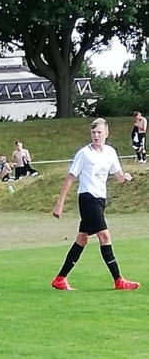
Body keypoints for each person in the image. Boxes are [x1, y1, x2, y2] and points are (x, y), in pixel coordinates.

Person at [51, 118, 139, 292]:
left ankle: (60, 279)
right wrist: (59, 203)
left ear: (106, 133)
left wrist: (125, 178)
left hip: (100, 199)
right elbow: (70, 178)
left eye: (99, 132)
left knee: (82, 239)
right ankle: (118, 280)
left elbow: (119, 177)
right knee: (104, 236)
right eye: (93, 132)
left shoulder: (110, 152)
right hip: (87, 198)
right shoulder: (84, 154)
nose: (96, 135)